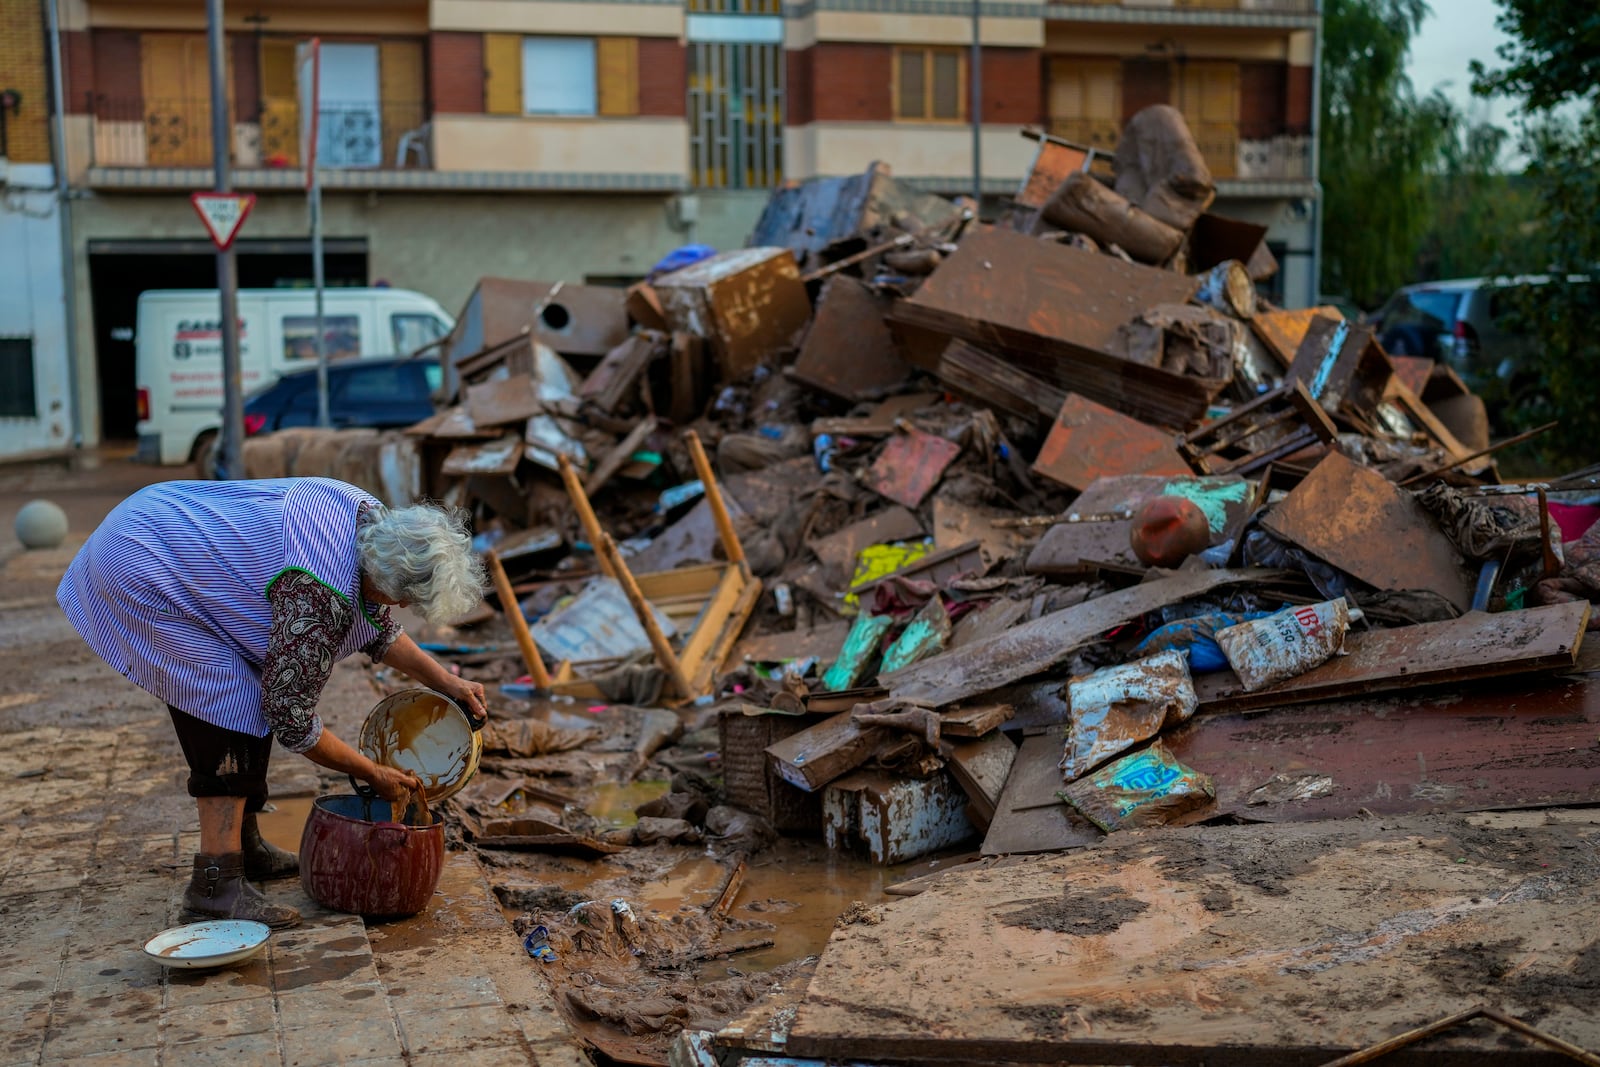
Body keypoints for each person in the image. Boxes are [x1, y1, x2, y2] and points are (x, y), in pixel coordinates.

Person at [57, 477, 489, 929]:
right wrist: (371, 771)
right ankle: (214, 887)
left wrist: (448, 682)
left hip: (159, 518)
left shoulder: (369, 521)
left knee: (251, 697)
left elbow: (373, 621)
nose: (400, 605)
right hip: (144, 566)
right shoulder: (318, 594)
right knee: (225, 709)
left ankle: (245, 847)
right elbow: (292, 719)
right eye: (404, 598)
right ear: (395, 580)